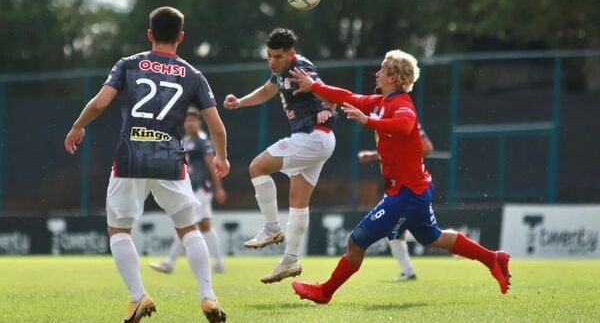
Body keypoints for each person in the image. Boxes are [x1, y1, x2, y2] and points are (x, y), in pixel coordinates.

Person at [288, 50, 511, 304]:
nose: (377, 72)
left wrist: (368, 122)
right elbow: (347, 96)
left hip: (406, 195)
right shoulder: (381, 102)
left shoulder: (401, 104)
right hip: (414, 190)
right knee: (433, 237)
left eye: (382, 69)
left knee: (356, 241)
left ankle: (324, 292)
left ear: (393, 77)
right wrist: (314, 85)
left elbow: (405, 125)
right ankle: (493, 258)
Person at [64, 6, 228, 322]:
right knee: (188, 228)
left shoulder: (129, 64)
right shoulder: (193, 75)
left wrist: (77, 126)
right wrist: (221, 157)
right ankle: (208, 296)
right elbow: (218, 127)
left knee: (119, 229)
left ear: (150, 34)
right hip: (170, 160)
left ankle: (138, 296)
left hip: (130, 157)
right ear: (181, 37)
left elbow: (99, 103)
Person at [223, 28, 336, 284]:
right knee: (298, 204)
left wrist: (328, 108)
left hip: (312, 136)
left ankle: (272, 229)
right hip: (318, 140)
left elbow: (327, 93)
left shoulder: (300, 67)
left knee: (257, 167)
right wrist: (240, 102)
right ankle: (290, 261)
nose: (272, 61)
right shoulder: (280, 72)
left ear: (291, 54)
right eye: (269, 56)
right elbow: (267, 90)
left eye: (278, 56)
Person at [150, 107, 227, 275]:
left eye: (193, 120)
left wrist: (219, 187)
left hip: (199, 188)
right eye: (187, 120)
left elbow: (211, 164)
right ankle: (220, 263)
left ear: (199, 122)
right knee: (205, 226)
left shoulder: (202, 140)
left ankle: (169, 262)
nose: (190, 123)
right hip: (189, 187)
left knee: (185, 223)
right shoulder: (182, 140)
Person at [358, 124, 433, 282]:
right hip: (400, 186)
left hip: (406, 187)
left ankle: (409, 271)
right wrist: (375, 156)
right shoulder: (387, 120)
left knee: (396, 231)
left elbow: (427, 148)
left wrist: (374, 156)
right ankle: (408, 272)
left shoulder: (404, 119)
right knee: (399, 232)